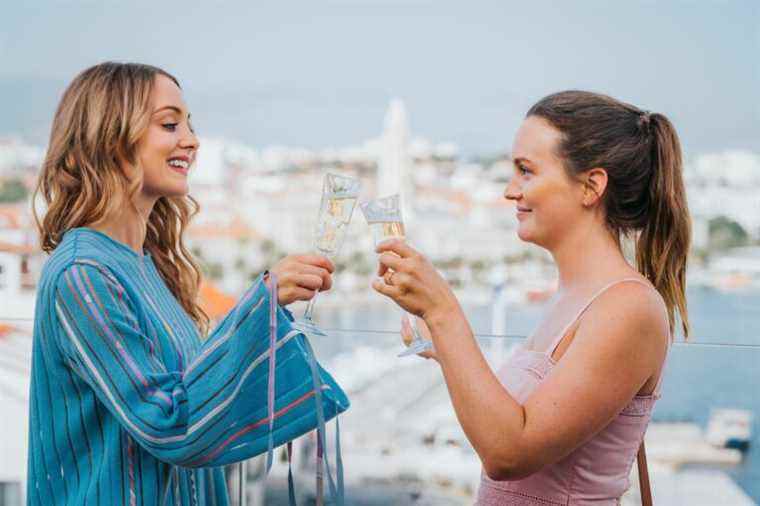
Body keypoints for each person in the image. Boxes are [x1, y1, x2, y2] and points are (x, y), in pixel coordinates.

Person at [28, 62, 335, 505]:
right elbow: (168, 423)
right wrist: (260, 305)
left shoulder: (148, 267)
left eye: (189, 124)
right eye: (170, 124)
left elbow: (191, 396)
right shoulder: (84, 275)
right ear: (107, 139)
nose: (191, 140)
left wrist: (266, 306)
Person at [373, 90, 690, 505]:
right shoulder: (577, 297)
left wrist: (443, 310)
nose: (510, 190)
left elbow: (508, 452)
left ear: (591, 186)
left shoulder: (628, 308)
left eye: (526, 171)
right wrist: (440, 338)